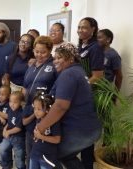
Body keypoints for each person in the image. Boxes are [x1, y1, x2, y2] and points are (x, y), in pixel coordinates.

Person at [36, 43, 102, 169]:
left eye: (59, 58)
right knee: (67, 157)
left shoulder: (69, 74)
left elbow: (61, 106)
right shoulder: (78, 71)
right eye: (54, 58)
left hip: (79, 130)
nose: (55, 61)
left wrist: (41, 126)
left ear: (71, 58)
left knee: (50, 154)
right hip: (88, 128)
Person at [77, 17, 105, 169]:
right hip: (80, 96)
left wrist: (80, 85)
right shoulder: (82, 45)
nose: (81, 30)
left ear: (93, 29)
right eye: (79, 27)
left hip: (89, 96)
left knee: (87, 135)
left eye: (85, 27)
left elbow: (98, 76)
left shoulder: (95, 48)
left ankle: (87, 165)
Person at [23, 36, 58, 106]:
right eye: (37, 52)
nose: (39, 55)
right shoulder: (31, 65)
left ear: (50, 50)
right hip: (28, 107)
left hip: (44, 108)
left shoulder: (55, 65)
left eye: (43, 52)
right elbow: (25, 87)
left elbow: (58, 90)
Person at [30, 91, 61, 169]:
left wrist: (41, 136)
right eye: (34, 108)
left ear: (47, 109)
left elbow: (57, 139)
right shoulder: (38, 119)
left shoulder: (54, 122)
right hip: (35, 154)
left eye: (39, 109)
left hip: (47, 157)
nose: (35, 112)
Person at [0, 91, 26, 169]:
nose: (12, 104)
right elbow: (9, 122)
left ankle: (20, 167)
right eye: (10, 101)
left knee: (19, 156)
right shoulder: (10, 110)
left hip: (18, 138)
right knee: (2, 149)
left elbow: (18, 128)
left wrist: (8, 132)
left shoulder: (21, 113)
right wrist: (5, 129)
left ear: (20, 103)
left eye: (15, 102)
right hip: (9, 136)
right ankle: (6, 165)